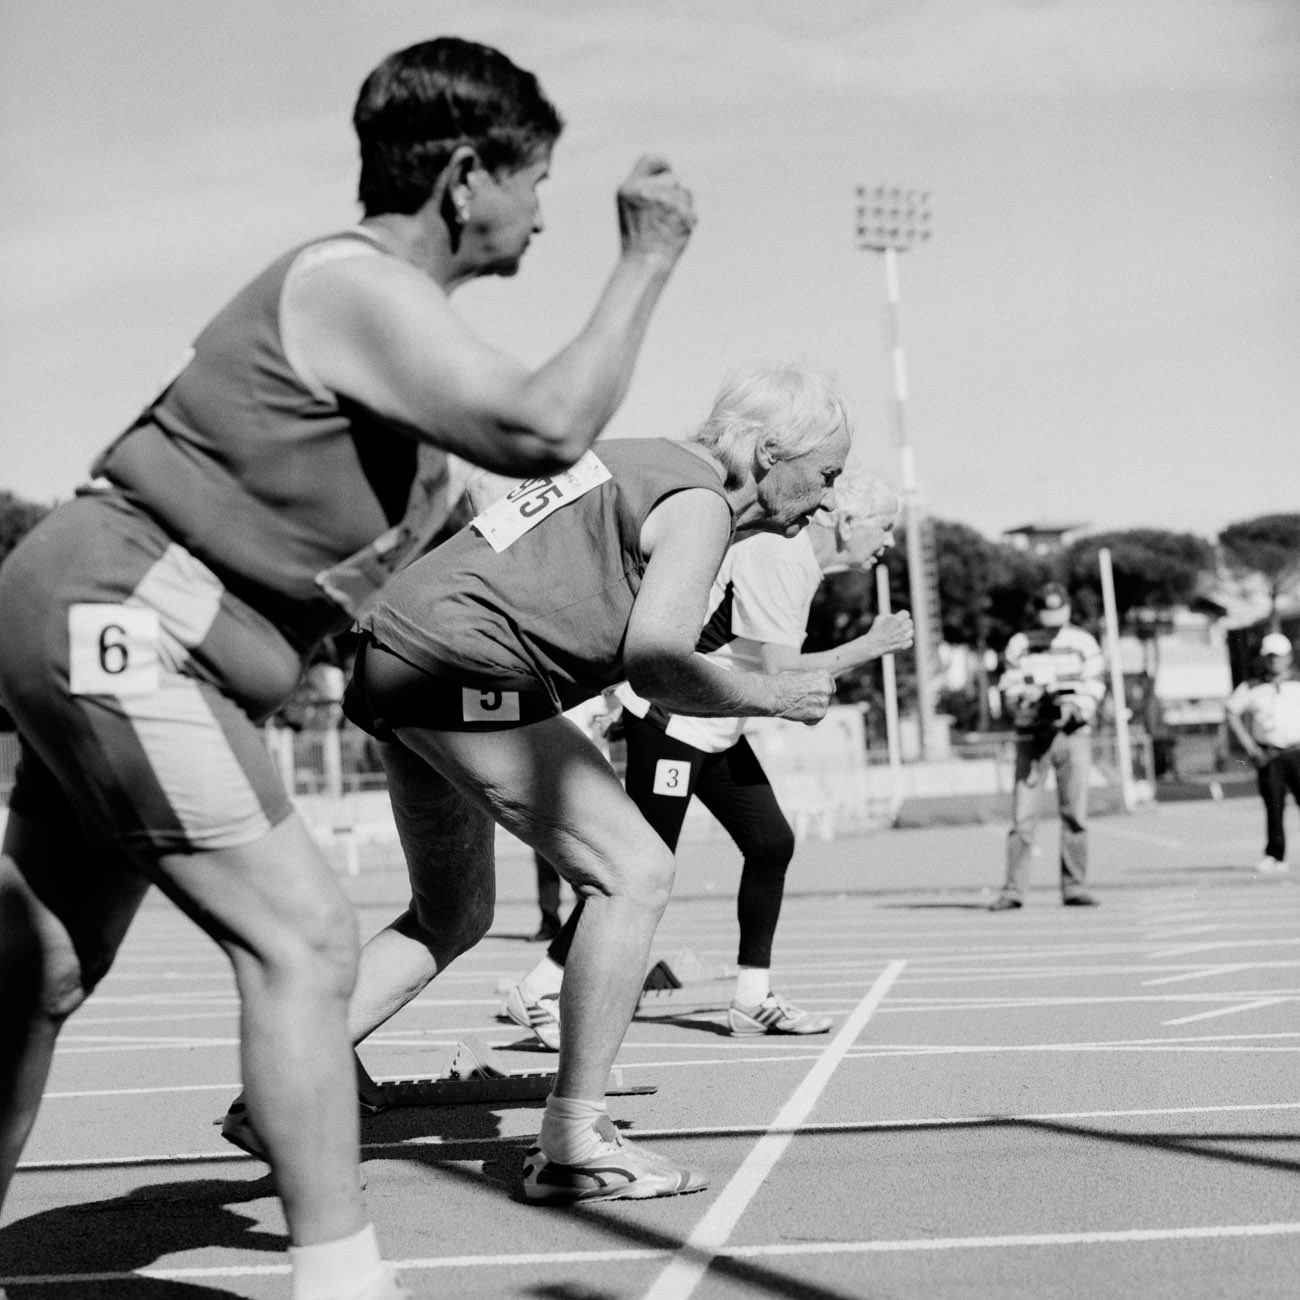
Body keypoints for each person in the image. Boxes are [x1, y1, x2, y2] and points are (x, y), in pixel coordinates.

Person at [0, 35, 694, 1298]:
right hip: (123, 616)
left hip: (128, 631)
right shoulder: (357, 282)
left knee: (39, 969)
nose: (543, 213)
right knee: (309, 943)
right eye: (537, 183)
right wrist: (646, 258)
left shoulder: (394, 344)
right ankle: (345, 1280)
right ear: (468, 178)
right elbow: (542, 424)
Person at [235, 359, 852, 1207]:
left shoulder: (633, 457)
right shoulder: (700, 503)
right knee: (633, 872)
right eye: (826, 475)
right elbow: (659, 658)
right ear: (773, 451)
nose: (826, 500)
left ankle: (280, 1094)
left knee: (453, 913)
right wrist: (775, 693)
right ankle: (576, 1139)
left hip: (398, 655)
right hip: (466, 664)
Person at [505, 471, 912, 1051]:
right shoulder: (782, 555)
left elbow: (753, 664)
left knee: (770, 843)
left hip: (714, 724)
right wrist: (870, 647)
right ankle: (539, 989)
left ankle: (751, 1001)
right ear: (847, 522)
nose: (890, 540)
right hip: (671, 722)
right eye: (885, 525)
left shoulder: (796, 559)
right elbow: (778, 673)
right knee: (638, 871)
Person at [989, 582, 1106, 911]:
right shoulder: (1020, 644)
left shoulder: (1084, 642)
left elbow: (1095, 684)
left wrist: (1075, 708)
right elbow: (1008, 686)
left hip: (1072, 734)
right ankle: (1014, 891)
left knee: (1075, 815)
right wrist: (1026, 699)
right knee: (1023, 818)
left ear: (1068, 608)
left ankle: (1075, 886)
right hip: (1031, 737)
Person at [1224, 631, 1300, 876]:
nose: (1274, 661)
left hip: (1298, 752)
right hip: (1270, 755)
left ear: (1288, 657)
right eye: (1269, 657)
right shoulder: (1252, 687)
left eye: (1278, 656)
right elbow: (1231, 711)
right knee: (1274, 806)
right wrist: (1250, 747)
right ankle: (1274, 855)